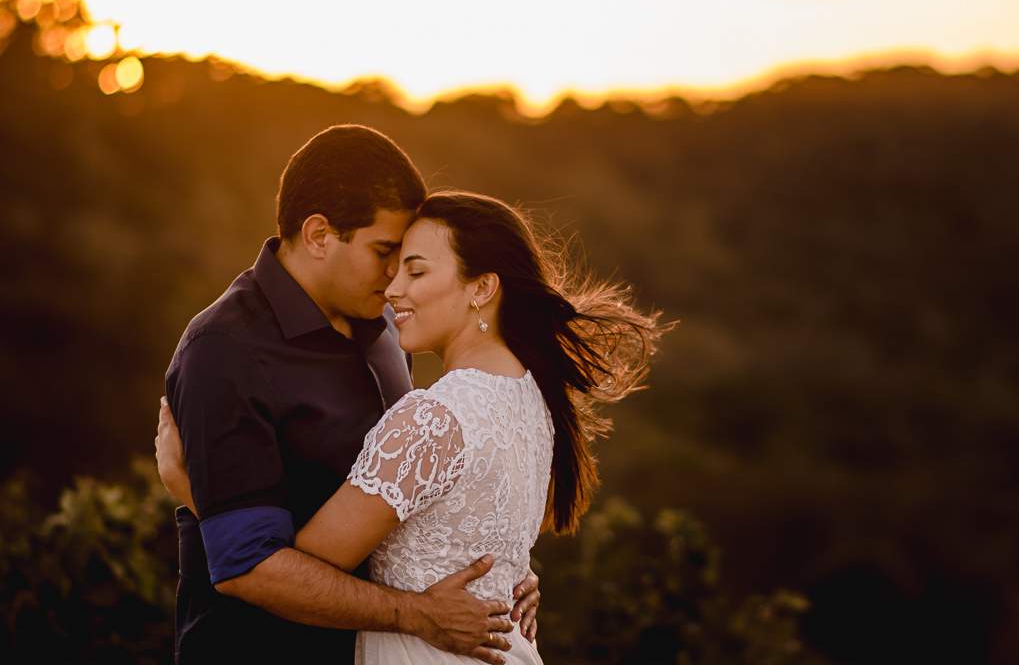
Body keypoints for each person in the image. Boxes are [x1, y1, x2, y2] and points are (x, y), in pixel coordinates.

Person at [159, 189, 667, 664]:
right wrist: (510, 572)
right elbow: (466, 522)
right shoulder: (532, 395)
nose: (393, 288)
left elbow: (304, 564)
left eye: (415, 272)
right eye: (394, 265)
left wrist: (201, 495)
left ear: (483, 287)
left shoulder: (432, 417)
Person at [157, 126, 539, 665]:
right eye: (385, 251)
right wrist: (416, 612)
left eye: (407, 258)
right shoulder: (224, 352)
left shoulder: (387, 325)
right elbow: (245, 564)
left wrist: (500, 563)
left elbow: (411, 492)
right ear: (318, 236)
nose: (395, 277)